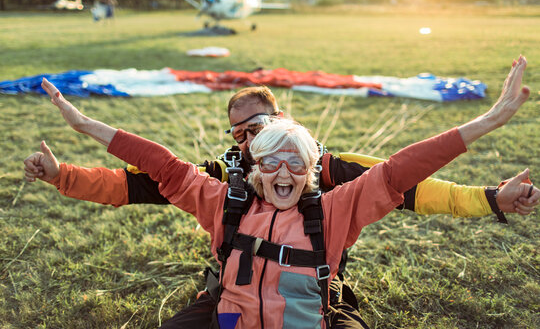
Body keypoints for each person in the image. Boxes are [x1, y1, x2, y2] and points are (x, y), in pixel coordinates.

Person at [25, 56, 537, 328]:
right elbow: (144, 179)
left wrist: (491, 193)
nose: (254, 146)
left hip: (312, 291)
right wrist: (65, 169)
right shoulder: (225, 182)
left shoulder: (337, 181)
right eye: (244, 139)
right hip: (235, 292)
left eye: (261, 130)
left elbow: (411, 182)